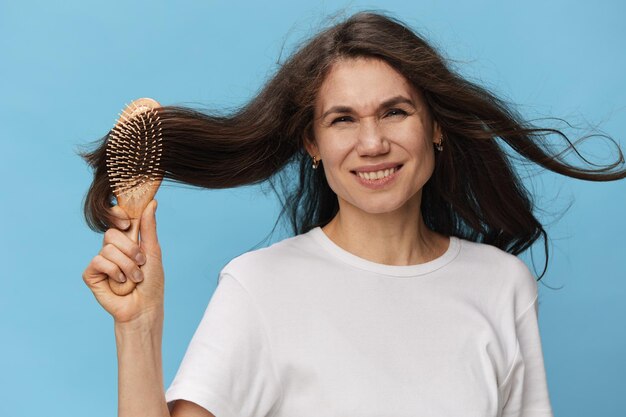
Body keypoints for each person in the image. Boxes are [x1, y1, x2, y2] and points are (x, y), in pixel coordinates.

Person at [80, 11, 624, 417]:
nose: (372, 142)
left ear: (435, 127)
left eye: (395, 111)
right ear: (312, 144)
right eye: (342, 119)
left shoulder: (503, 284)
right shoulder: (259, 286)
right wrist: (140, 328)